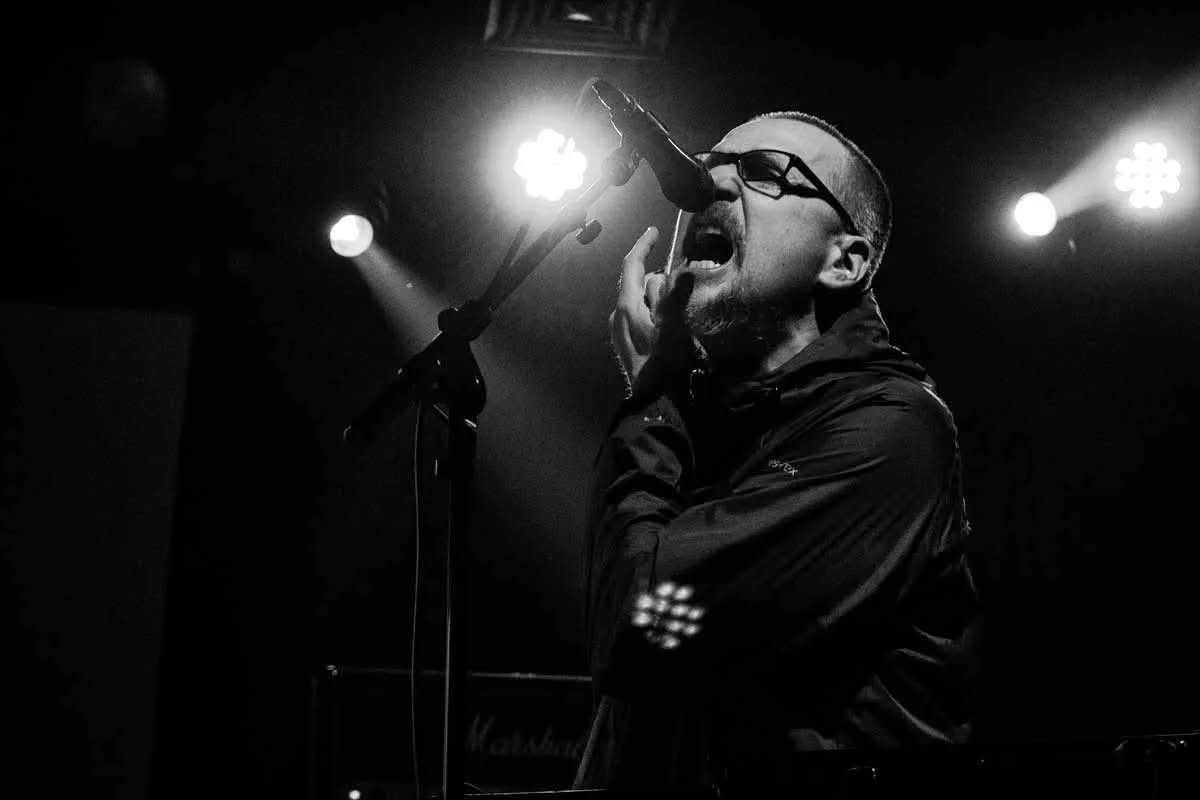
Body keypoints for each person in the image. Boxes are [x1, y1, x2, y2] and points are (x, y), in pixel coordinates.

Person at [573, 111, 980, 796]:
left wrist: (652, 402)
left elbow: (640, 626)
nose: (710, 183)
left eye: (763, 172)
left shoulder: (889, 430)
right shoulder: (704, 422)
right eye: (709, 163)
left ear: (844, 262)